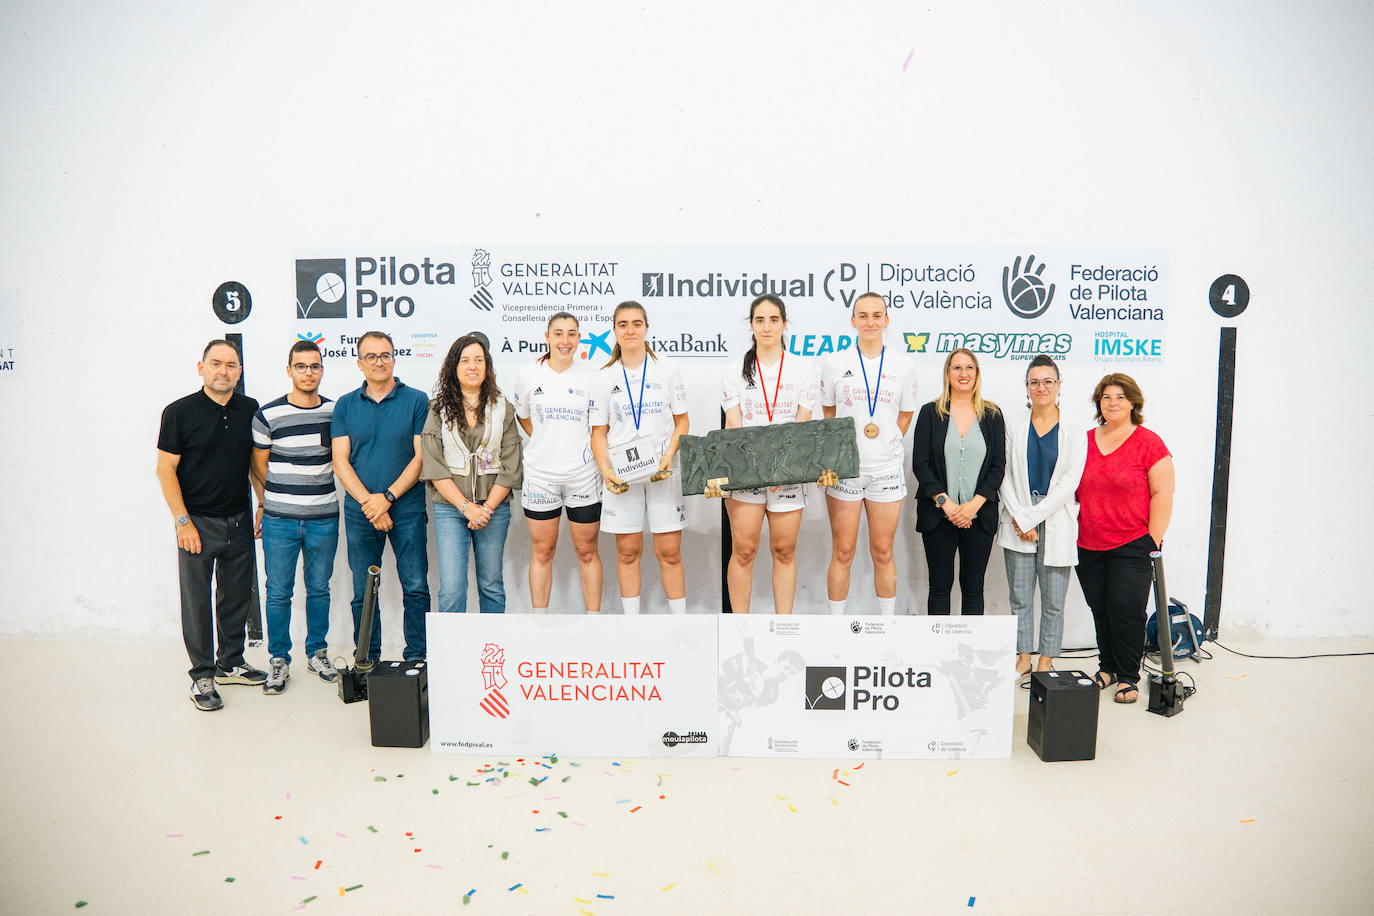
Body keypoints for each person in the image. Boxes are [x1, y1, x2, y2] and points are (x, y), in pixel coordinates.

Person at [156, 339, 266, 710]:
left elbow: (253, 463)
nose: (224, 370)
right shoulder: (178, 413)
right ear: (200, 367)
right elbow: (165, 469)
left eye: (231, 364)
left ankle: (230, 662)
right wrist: (182, 522)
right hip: (197, 524)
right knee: (197, 602)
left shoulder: (248, 408)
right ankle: (202, 674)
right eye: (216, 363)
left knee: (235, 597)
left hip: (237, 520)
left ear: (239, 371)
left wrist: (262, 501)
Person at [331, 330, 430, 662]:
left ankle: (418, 658)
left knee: (416, 587)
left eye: (385, 355)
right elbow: (340, 460)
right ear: (359, 363)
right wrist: (370, 503)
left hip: (408, 508)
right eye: (371, 356)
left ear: (394, 358)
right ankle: (366, 661)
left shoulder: (416, 400)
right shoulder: (345, 404)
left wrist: (386, 498)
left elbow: (420, 458)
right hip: (361, 513)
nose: (379, 362)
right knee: (363, 593)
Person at [1075, 373, 1174, 704]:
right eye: (1106, 397)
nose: (1112, 402)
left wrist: (1153, 540)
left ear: (1133, 402)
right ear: (1098, 403)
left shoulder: (1149, 442)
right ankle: (1108, 667)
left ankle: (1129, 675)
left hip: (1132, 542)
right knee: (1100, 608)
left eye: (1119, 396)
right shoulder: (1084, 440)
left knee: (1127, 609)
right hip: (1087, 541)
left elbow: (1163, 492)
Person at [819, 292, 918, 615]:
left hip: (886, 470)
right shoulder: (835, 363)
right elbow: (829, 413)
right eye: (863, 315)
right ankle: (836, 627)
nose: (870, 322)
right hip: (846, 471)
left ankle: (886, 628)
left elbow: (905, 415)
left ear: (886, 321)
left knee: (883, 551)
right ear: (853, 321)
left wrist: (887, 442)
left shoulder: (903, 366)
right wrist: (839, 453)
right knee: (843, 551)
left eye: (877, 315)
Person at [251, 340, 340, 694]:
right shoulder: (268, 415)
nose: (308, 372)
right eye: (300, 366)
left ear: (322, 369)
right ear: (289, 370)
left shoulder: (336, 411)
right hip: (280, 520)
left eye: (314, 366)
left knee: (319, 589)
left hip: (323, 517)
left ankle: (317, 652)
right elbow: (259, 465)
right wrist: (268, 502)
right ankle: (278, 660)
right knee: (278, 592)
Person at [720, 295, 818, 614]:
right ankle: (740, 625)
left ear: (784, 324)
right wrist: (758, 470)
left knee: (784, 550)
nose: (766, 326)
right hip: (746, 473)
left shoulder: (803, 368)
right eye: (759, 320)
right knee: (744, 551)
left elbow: (801, 427)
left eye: (773, 320)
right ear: (751, 325)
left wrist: (779, 470)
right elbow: (734, 428)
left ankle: (784, 626)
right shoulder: (733, 370)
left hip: (787, 475)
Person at [590, 301, 690, 615]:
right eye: (623, 324)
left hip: (663, 472)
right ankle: (631, 629)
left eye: (636, 323)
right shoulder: (604, 377)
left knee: (669, 552)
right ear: (614, 331)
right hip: (622, 477)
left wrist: (669, 455)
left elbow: (683, 422)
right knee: (628, 552)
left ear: (646, 328)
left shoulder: (668, 369)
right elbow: (598, 433)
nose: (630, 330)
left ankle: (680, 623)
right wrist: (606, 471)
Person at [997, 355, 1086, 678]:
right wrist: (1022, 518)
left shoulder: (1074, 427)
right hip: (1019, 519)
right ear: (1027, 387)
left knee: (1053, 601)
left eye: (1048, 381)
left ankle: (1047, 659)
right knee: (1020, 598)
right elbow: (1002, 473)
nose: (1041, 387)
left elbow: (1070, 481)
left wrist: (1032, 517)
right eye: (1034, 382)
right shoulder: (1014, 424)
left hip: (1055, 520)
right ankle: (1023, 656)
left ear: (1059, 385)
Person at [421, 334, 523, 613]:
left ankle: (494, 654)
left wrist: (486, 509)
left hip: (494, 509)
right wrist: (466, 508)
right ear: (454, 367)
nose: (472, 366)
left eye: (479, 360)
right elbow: (433, 465)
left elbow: (511, 465)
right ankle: (452, 654)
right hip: (451, 509)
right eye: (465, 361)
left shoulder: (503, 408)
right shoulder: (437, 409)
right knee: (452, 588)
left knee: (491, 584)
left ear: (487, 367)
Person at [513, 312, 603, 612]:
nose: (565, 340)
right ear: (547, 336)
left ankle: (594, 621)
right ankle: (540, 621)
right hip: (540, 476)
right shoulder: (528, 374)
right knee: (542, 550)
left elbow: (598, 426)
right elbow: (523, 417)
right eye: (559, 333)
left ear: (579, 338)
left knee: (588, 551)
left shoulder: (592, 375)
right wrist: (545, 441)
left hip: (583, 476)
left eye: (572, 334)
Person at [912, 348, 1006, 616]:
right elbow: (921, 464)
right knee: (939, 587)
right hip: (938, 515)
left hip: (979, 516)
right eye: (957, 368)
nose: (963, 374)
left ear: (977, 373)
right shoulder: (930, 413)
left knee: (974, 587)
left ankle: (969, 655)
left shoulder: (992, 414)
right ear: (947, 373)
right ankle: (937, 654)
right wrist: (947, 504)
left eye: (969, 368)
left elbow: (998, 467)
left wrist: (972, 506)